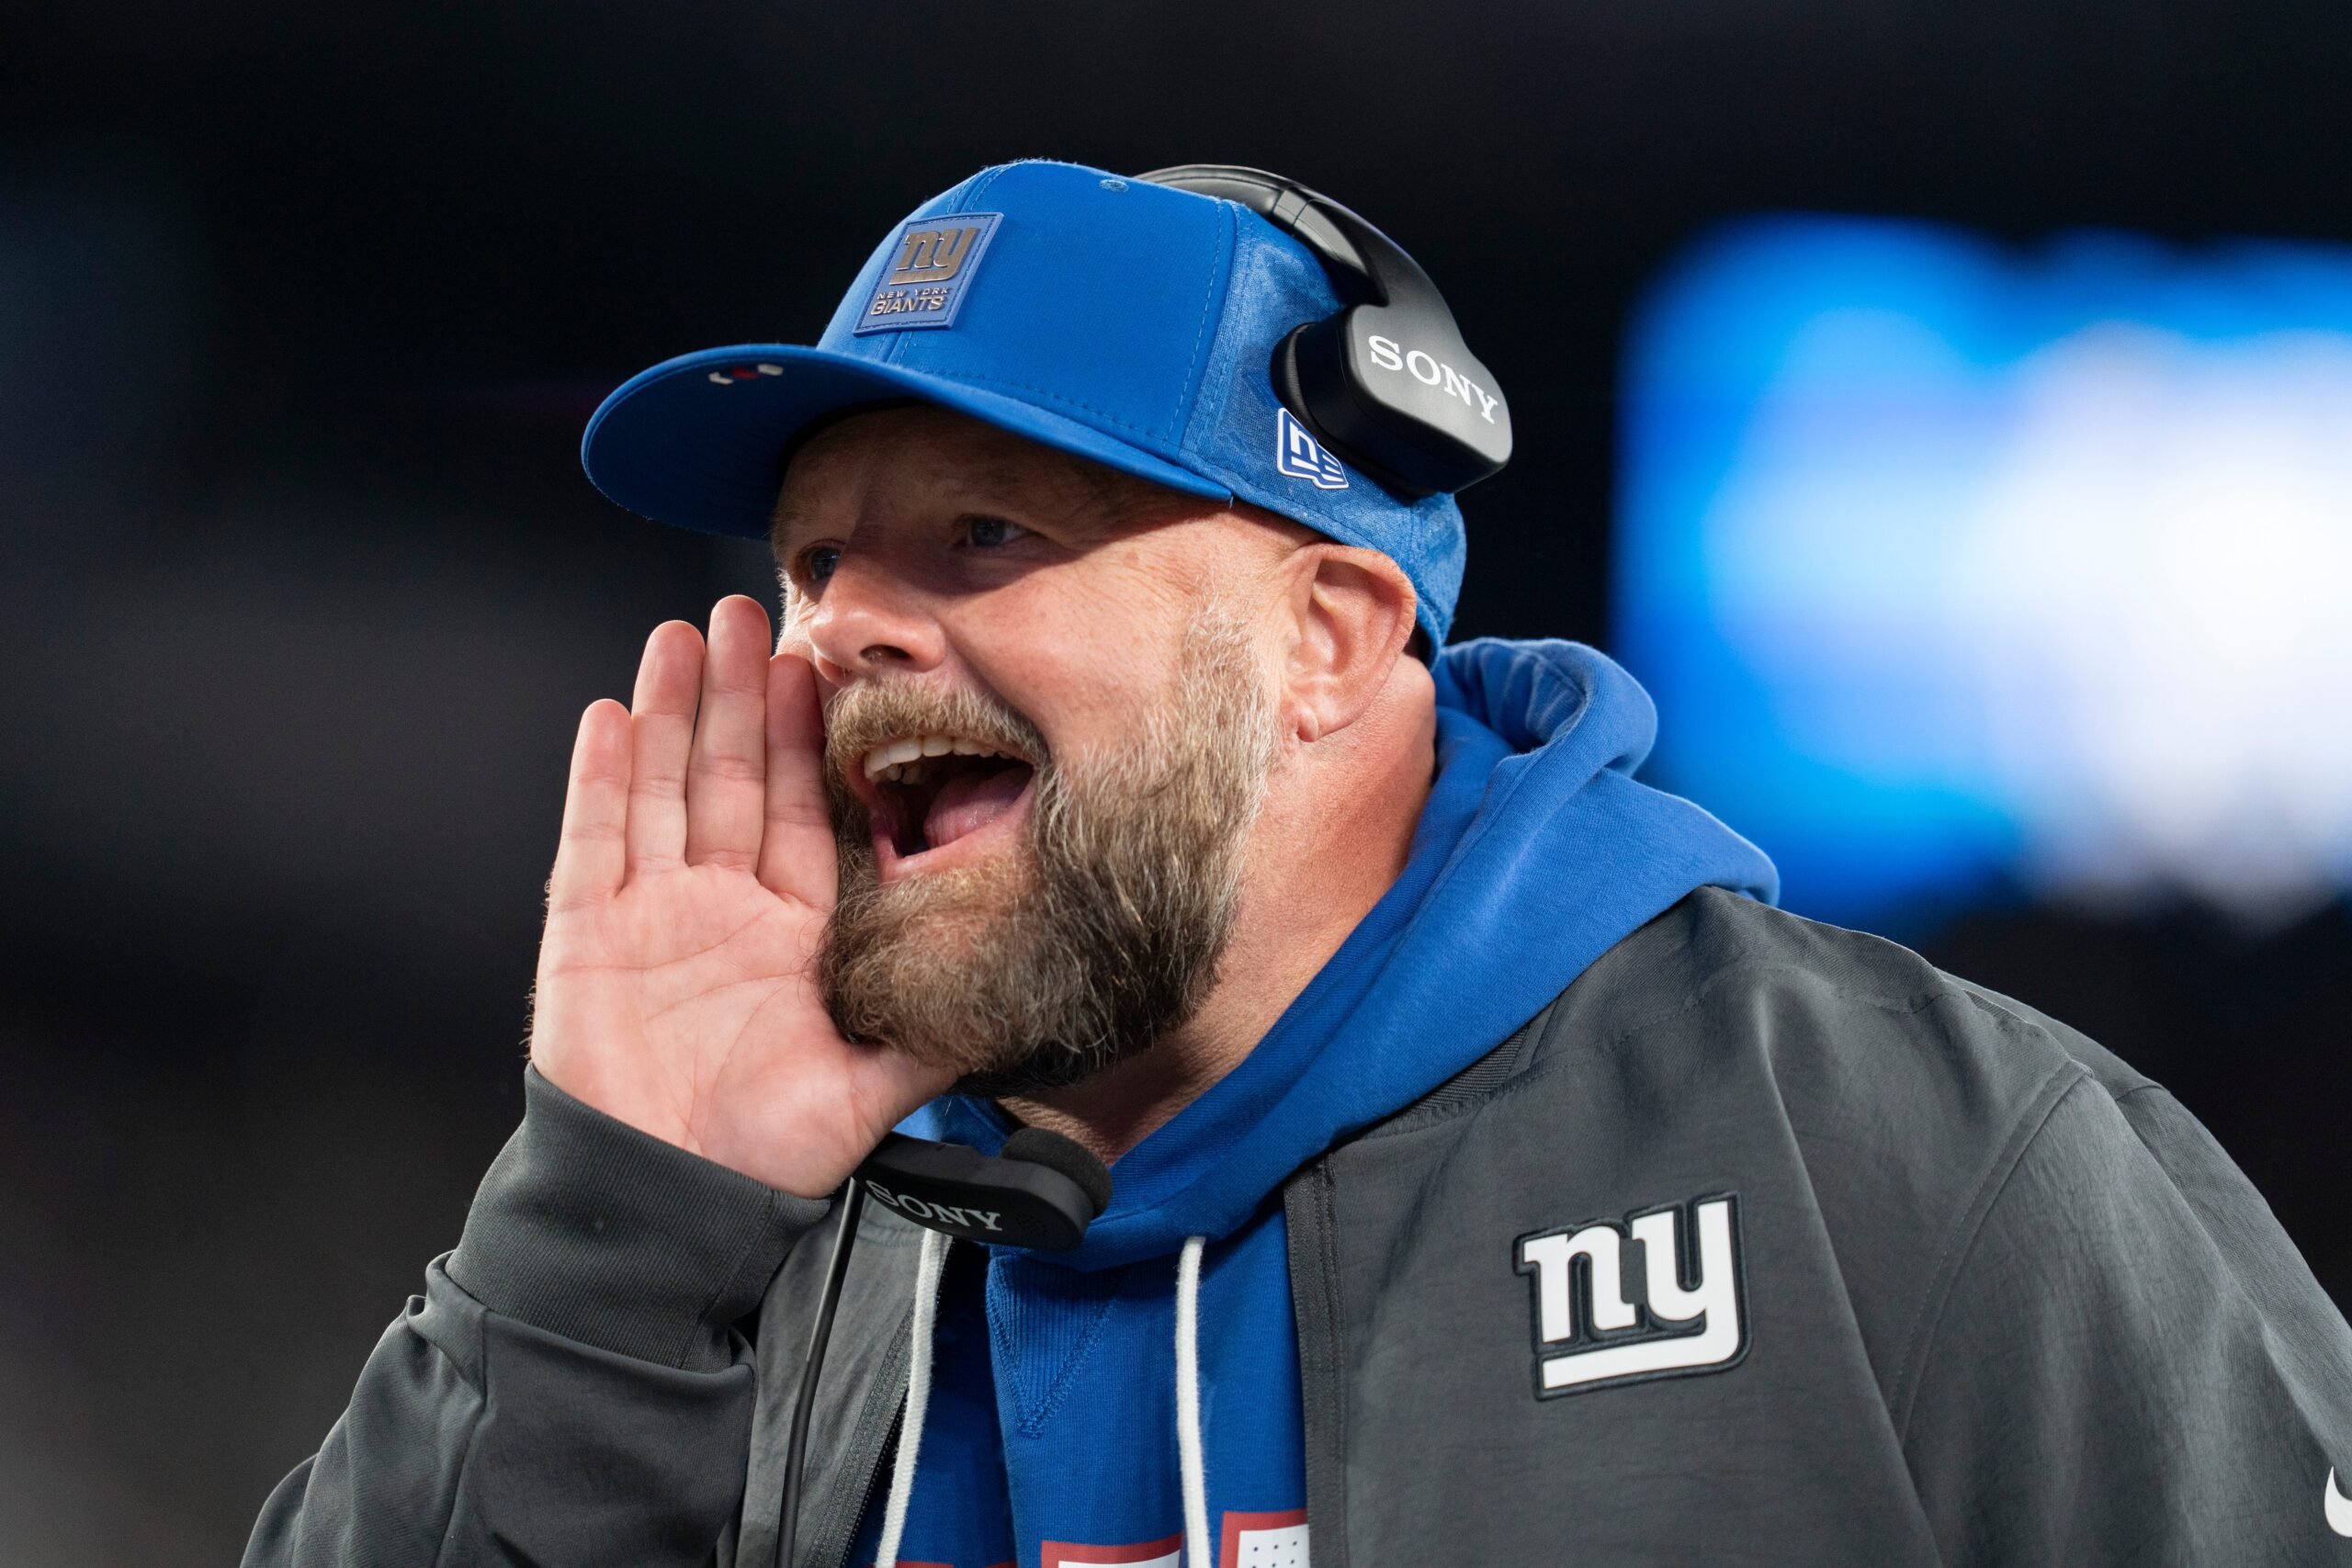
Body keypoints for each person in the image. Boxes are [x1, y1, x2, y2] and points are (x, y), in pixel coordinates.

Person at [244, 159, 2352, 1568]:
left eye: (983, 532)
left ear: (1331, 641)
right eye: (809, 559)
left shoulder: (1893, 1152)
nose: (834, 632)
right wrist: (613, 1225)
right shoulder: (747, 1250)